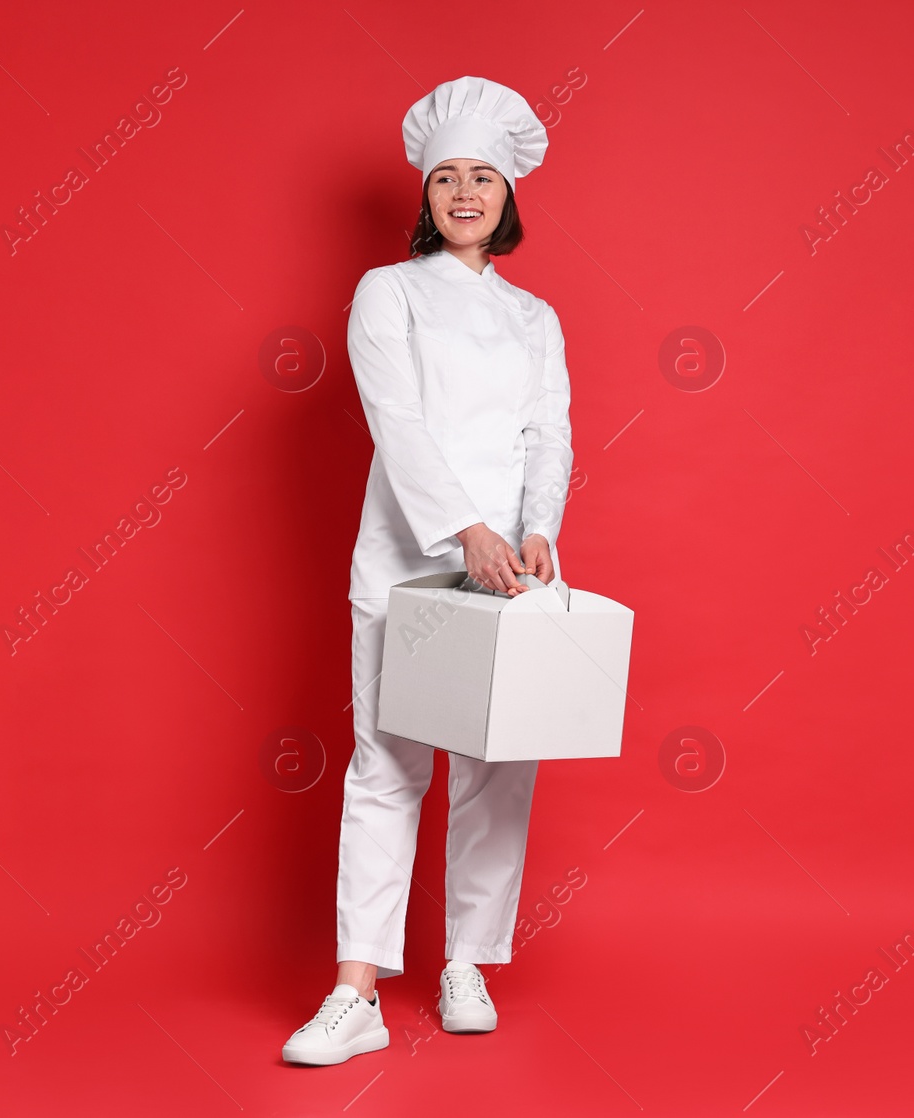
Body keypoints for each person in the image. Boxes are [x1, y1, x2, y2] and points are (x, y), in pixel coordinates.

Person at [282, 75, 574, 1066]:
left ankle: (465, 963)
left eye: (480, 177)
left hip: (508, 567)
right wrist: (467, 530)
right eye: (445, 176)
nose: (462, 192)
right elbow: (395, 419)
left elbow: (550, 432)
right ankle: (356, 987)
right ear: (425, 195)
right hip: (407, 559)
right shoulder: (386, 291)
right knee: (387, 758)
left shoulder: (535, 317)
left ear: (505, 196)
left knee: (498, 762)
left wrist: (535, 527)